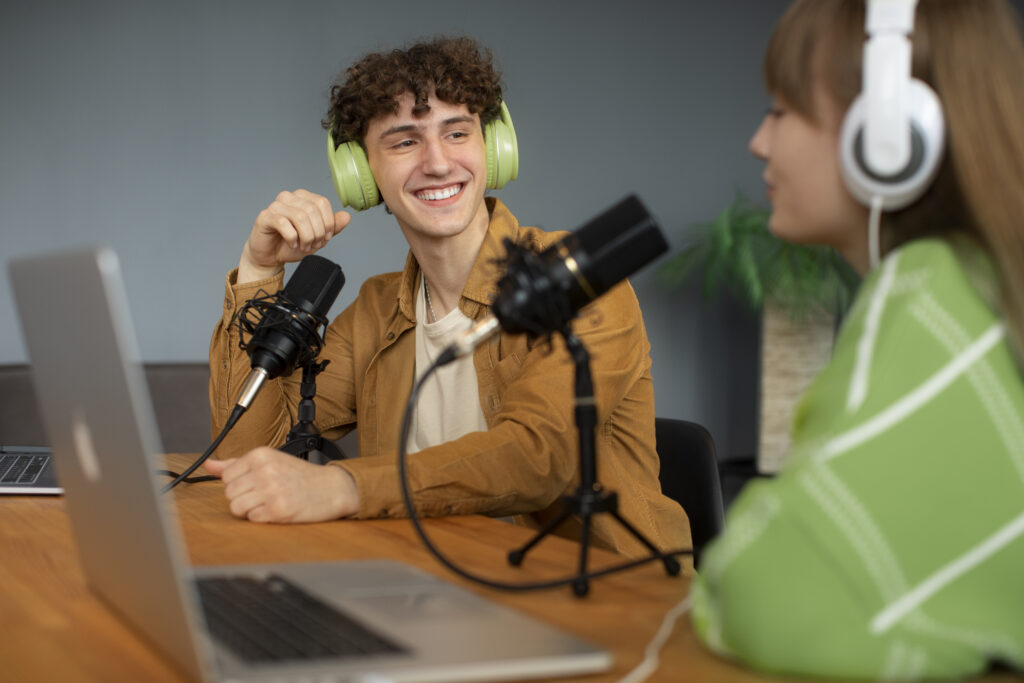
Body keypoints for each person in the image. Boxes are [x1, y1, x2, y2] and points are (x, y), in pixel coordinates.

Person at [203, 37, 689, 560]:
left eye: (457, 133)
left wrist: (345, 487)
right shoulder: (376, 309)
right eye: (404, 142)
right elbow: (246, 453)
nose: (437, 163)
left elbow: (537, 458)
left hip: (601, 596)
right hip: (434, 588)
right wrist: (260, 270)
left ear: (493, 148)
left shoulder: (578, 279)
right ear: (362, 176)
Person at [691, 0, 1024, 678]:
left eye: (780, 112)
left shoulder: (930, 294)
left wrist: (717, 583)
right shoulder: (975, 286)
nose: (759, 141)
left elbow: (780, 593)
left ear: (888, 137)